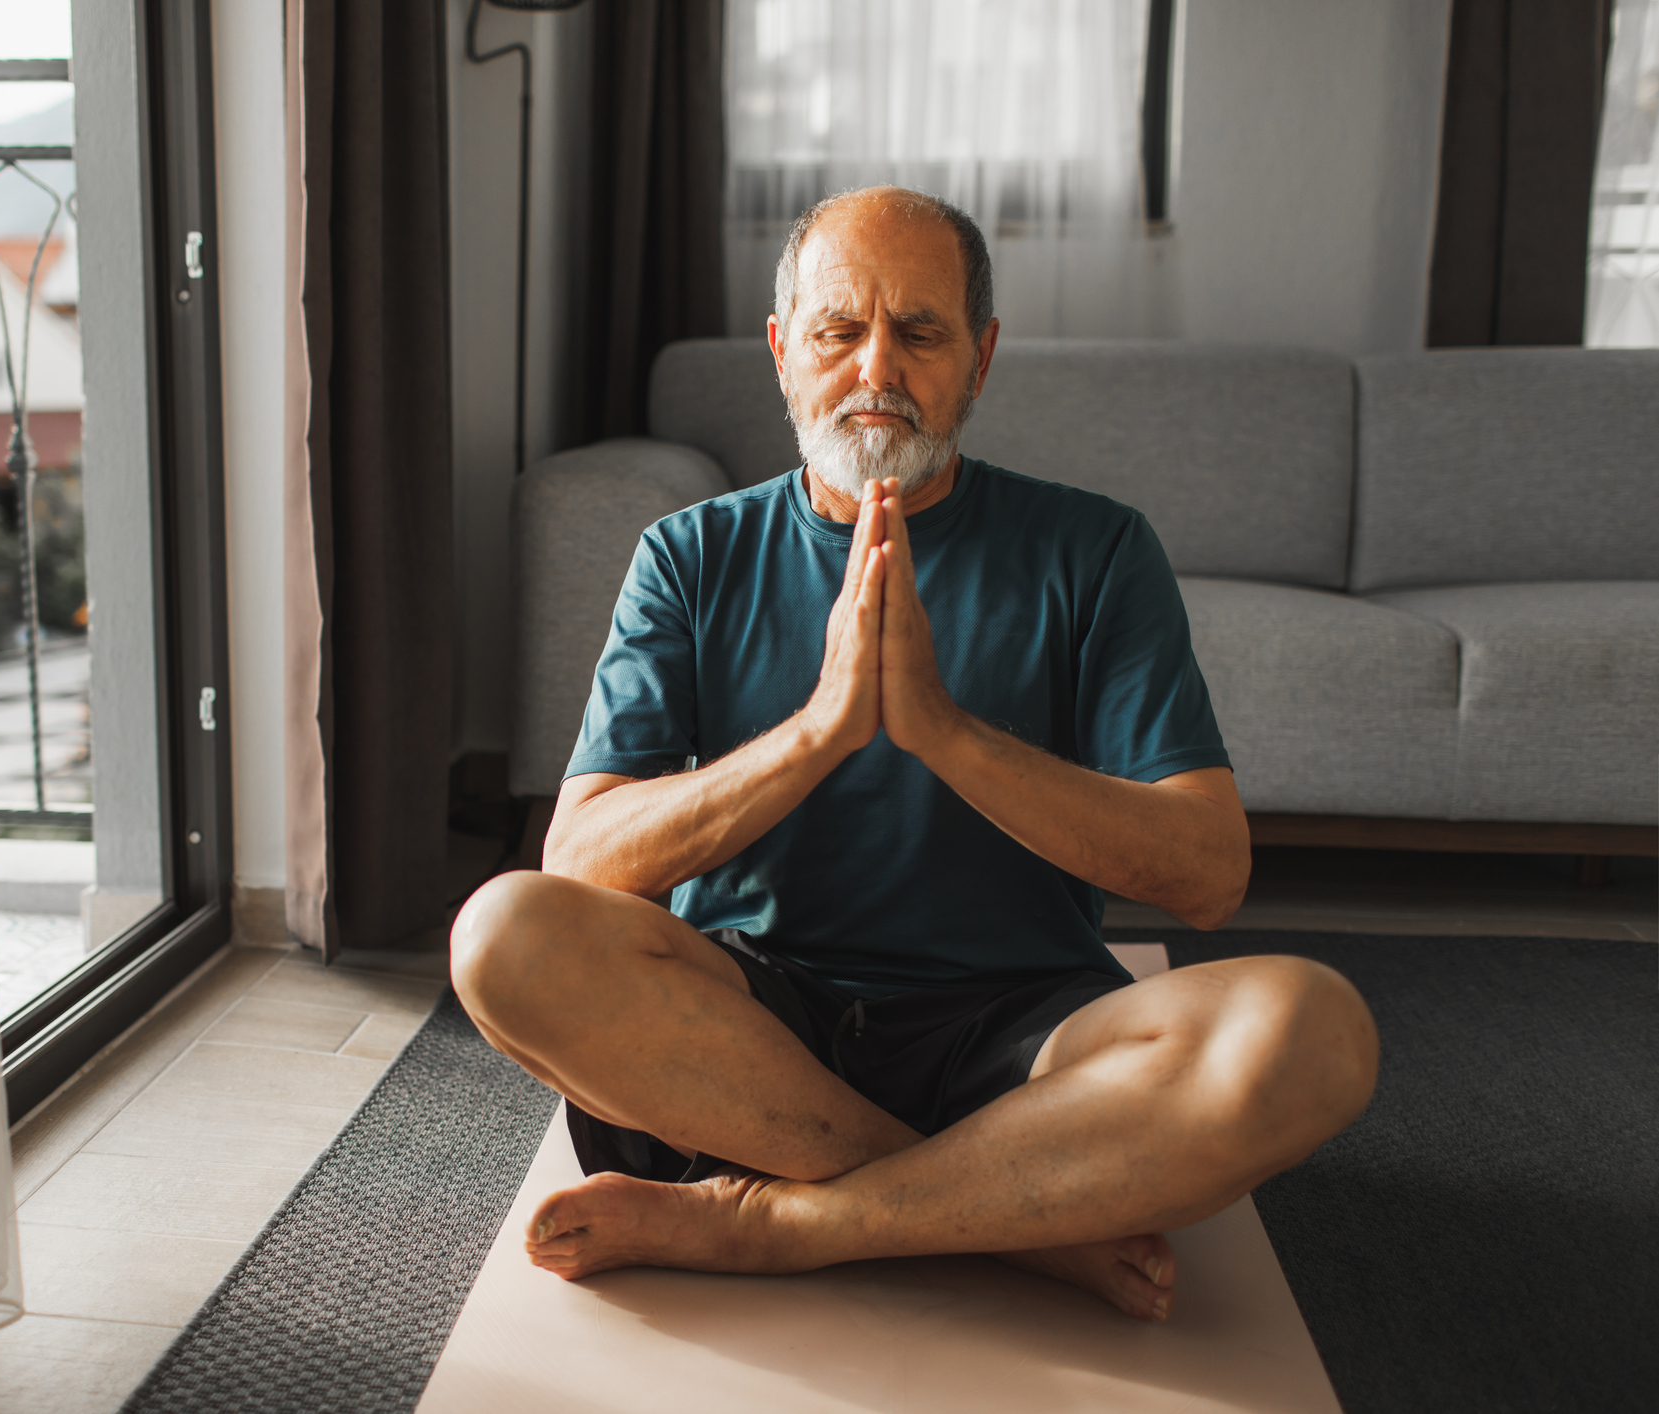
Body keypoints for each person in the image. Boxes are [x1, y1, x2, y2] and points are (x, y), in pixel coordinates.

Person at [450, 186, 1378, 1322]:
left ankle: (789, 1221)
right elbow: (580, 863)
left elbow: (1208, 876)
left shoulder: (1096, 550)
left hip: (1024, 1035)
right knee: (502, 934)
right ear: (786, 353)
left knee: (1311, 1034)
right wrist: (822, 729)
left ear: (981, 359)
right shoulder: (688, 555)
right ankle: (1010, 1216)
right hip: (743, 1041)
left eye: (921, 331)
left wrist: (940, 729)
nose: (876, 367)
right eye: (840, 331)